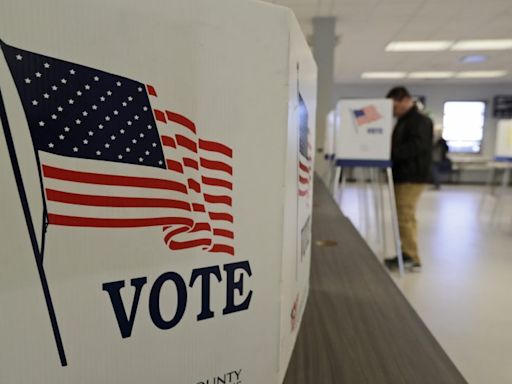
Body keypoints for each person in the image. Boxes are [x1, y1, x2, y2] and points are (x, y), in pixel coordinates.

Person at [384, 86, 433, 272]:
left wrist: (390, 153)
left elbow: (416, 147)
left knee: (405, 215)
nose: (393, 112)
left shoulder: (420, 121)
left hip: (411, 176)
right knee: (404, 216)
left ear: (405, 100)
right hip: (404, 174)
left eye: (395, 107)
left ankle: (412, 257)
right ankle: (406, 253)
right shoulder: (404, 120)